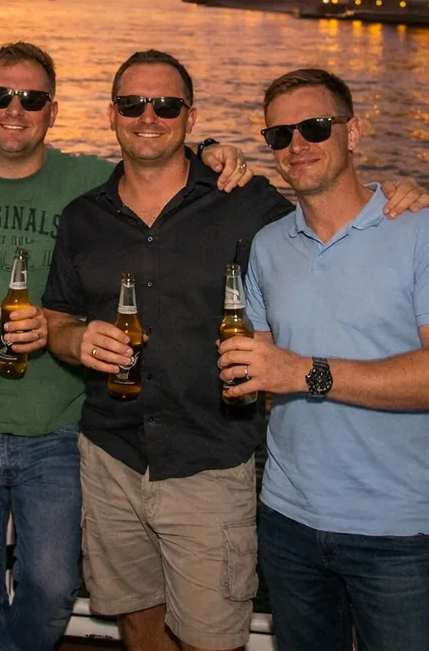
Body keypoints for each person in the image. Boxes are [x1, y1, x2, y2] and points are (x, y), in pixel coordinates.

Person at [44, 50, 427, 651]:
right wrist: (73, 339)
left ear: (190, 118)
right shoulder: (83, 217)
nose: (150, 116)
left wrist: (402, 194)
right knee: (138, 619)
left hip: (212, 462)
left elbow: (327, 198)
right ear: (111, 115)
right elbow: (57, 319)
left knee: (212, 637)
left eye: (166, 105)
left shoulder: (249, 205)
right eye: (133, 104)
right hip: (113, 457)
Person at [0, 43, 253, 651]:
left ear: (55, 111)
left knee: (53, 587)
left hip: (62, 430)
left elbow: (158, 154)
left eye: (31, 99)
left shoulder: (88, 180)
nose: (14, 110)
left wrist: (215, 152)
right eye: (0, 96)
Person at [217, 69, 429, 651]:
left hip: (401, 528)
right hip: (289, 520)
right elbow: (261, 367)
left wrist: (305, 371)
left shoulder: (418, 229)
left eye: (314, 126)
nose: (297, 145)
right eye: (280, 135)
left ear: (354, 132)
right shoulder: (267, 246)